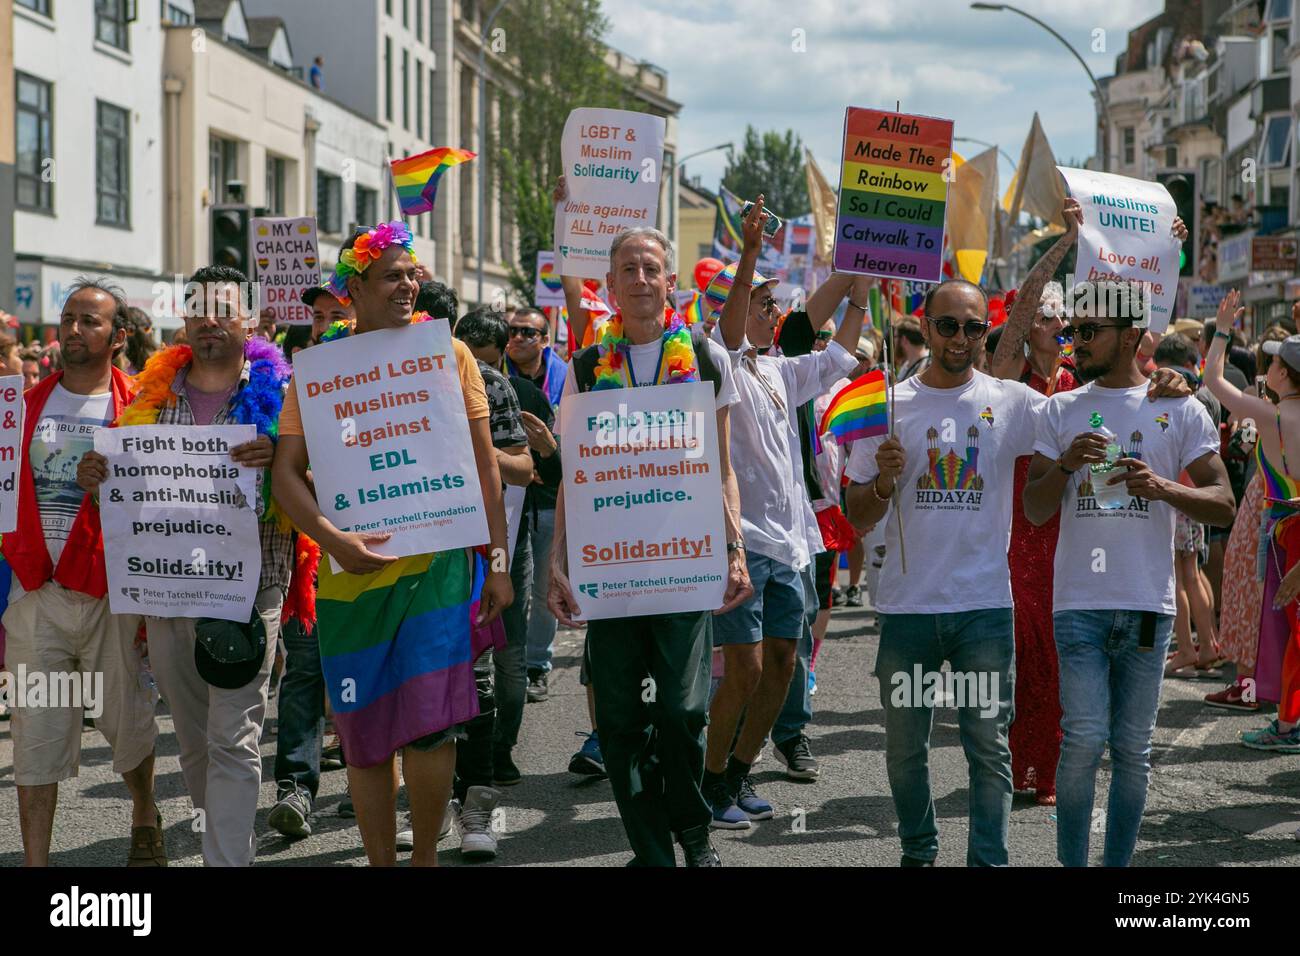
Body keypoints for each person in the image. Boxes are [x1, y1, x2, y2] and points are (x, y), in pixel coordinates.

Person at [272, 222, 512, 866]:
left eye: (413, 274)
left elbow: (486, 466)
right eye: (393, 275)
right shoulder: (319, 368)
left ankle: (425, 857)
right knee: (365, 735)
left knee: (433, 726)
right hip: (352, 577)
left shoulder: (451, 353)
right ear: (353, 289)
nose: (409, 285)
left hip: (437, 569)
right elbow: (285, 475)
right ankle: (381, 862)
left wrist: (497, 561)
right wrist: (334, 541)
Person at [547, 205, 752, 867]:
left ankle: (691, 829)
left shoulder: (705, 358)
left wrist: (735, 548)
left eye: (652, 268)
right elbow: (574, 474)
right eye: (628, 269)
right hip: (612, 571)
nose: (640, 278)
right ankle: (657, 852)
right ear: (609, 286)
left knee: (685, 714)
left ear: (670, 284)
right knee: (620, 722)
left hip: (683, 564)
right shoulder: (584, 365)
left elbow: (721, 467)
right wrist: (557, 561)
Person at [78, 266, 294, 866]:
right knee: (195, 741)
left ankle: (227, 862)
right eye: (197, 311)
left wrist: (280, 457)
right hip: (170, 591)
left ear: (247, 321)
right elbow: (130, 499)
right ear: (183, 321)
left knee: (235, 735)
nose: (209, 322)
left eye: (223, 310)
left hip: (251, 589)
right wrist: (96, 477)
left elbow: (317, 478)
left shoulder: (286, 392)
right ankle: (219, 840)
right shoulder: (154, 395)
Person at [1024, 279, 1234, 867]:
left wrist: (1162, 487)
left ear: (1130, 337)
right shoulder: (1061, 408)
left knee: (1133, 751)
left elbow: (1224, 501)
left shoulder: (1177, 406)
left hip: (1147, 605)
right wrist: (1066, 464)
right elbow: (1035, 508)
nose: (1076, 342)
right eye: (1072, 331)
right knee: (1084, 739)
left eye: (1089, 332)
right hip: (1079, 605)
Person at [845, 277, 1045, 866]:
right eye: (949, 326)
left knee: (988, 747)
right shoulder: (888, 403)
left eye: (974, 327)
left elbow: (1091, 408)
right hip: (910, 612)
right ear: (926, 326)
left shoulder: (1010, 401)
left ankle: (988, 861)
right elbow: (858, 516)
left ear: (988, 332)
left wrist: (1171, 380)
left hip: (983, 609)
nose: (961, 338)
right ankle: (919, 851)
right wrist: (882, 480)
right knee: (907, 749)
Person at [703, 237, 863, 826]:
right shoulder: (716, 361)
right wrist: (747, 255)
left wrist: (863, 287)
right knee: (742, 668)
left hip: (791, 543)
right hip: (743, 541)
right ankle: (710, 778)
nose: (777, 314)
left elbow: (841, 352)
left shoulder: (777, 370)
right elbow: (731, 312)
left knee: (782, 665)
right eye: (765, 304)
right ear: (737, 308)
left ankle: (736, 773)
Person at [2, 277, 162, 867]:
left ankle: (145, 809)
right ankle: (37, 862)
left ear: (118, 337)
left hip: (111, 594)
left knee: (128, 727)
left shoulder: (146, 405)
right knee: (34, 737)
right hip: (35, 594)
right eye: (68, 318)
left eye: (89, 321)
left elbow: (174, 492)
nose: (73, 329)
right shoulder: (20, 406)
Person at [989, 196, 1082, 807]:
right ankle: (1018, 763)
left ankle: (1047, 768)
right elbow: (1019, 313)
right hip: (1016, 533)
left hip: (1072, 534)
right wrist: (1063, 245)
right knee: (1026, 652)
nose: (1059, 328)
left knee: (1058, 651)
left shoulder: (1079, 384)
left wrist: (1159, 251)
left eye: (1063, 322)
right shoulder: (1009, 381)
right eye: (1051, 319)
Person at [447, 306, 534, 857]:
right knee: (416, 685)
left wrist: (476, 451)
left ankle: (478, 803)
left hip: (474, 549)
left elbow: (523, 469)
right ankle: (430, 806)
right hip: (397, 555)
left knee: (481, 677)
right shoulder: (360, 370)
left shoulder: (489, 382)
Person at [1204, 290, 1300, 752]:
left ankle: (1287, 724)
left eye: (1276, 363)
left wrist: (1222, 331)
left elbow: (1214, 381)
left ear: (1284, 373)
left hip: (1285, 530)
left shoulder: (1271, 415)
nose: (1270, 368)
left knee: (1285, 629)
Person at [503, 305, 568, 704]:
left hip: (549, 501)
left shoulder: (565, 380)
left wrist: (549, 458)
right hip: (510, 500)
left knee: (545, 588)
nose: (519, 338)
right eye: (513, 330)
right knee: (511, 587)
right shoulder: (495, 379)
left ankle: (536, 665)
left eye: (529, 332)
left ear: (545, 341)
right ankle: (505, 662)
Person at [893, 316, 929, 380]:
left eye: (895, 336)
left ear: (904, 339)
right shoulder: (906, 365)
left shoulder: (928, 365)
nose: (894, 340)